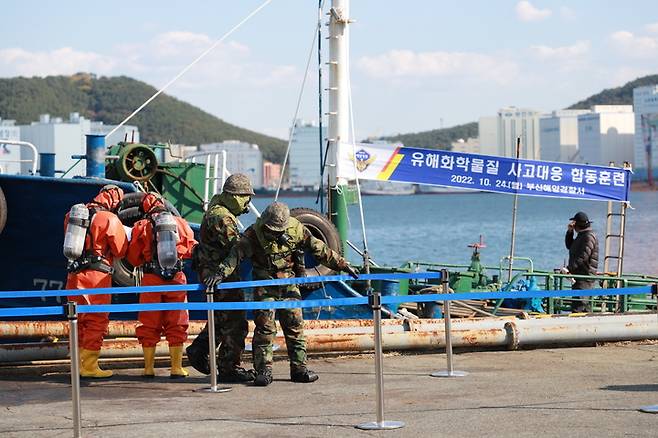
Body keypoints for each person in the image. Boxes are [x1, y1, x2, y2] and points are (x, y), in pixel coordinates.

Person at [207, 201, 358, 387]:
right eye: (272, 230)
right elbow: (235, 255)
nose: (275, 234)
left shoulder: (297, 229)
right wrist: (220, 273)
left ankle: (299, 369)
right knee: (265, 329)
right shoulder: (253, 234)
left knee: (295, 326)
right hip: (265, 285)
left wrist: (343, 265)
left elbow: (320, 249)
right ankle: (263, 371)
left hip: (289, 284)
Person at [186, 173, 256, 383]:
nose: (247, 204)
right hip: (221, 276)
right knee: (235, 323)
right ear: (234, 196)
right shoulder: (222, 218)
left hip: (214, 272)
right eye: (245, 198)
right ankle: (228, 368)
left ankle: (198, 350)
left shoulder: (218, 209)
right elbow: (238, 247)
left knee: (220, 319)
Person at [127, 193, 196, 378]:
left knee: (148, 323)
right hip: (176, 278)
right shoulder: (180, 223)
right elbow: (190, 249)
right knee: (178, 322)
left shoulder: (141, 226)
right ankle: (176, 367)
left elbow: (133, 257)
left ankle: (148, 368)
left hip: (151, 280)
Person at [65, 184, 128, 378]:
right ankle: (90, 366)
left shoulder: (72, 215)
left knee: (76, 320)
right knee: (96, 320)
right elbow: (120, 250)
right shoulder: (109, 218)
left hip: (74, 276)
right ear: (114, 200)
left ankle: (76, 364)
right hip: (96, 279)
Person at [564, 211, 599, 313]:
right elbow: (570, 246)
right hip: (579, 277)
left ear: (578, 225)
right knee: (578, 305)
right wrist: (570, 232)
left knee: (580, 306)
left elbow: (583, 256)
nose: (573, 225)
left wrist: (569, 268)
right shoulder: (582, 235)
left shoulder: (588, 236)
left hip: (585, 277)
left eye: (574, 223)